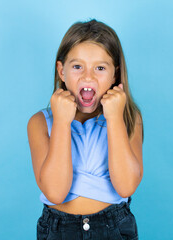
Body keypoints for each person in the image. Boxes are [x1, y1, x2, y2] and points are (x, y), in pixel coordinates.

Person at [27, 19, 144, 240]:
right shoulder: (40, 123)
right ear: (61, 71)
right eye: (77, 66)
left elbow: (127, 186)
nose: (88, 76)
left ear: (114, 75)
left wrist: (114, 118)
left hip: (113, 227)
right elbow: (55, 192)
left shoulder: (128, 118)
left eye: (100, 68)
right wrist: (61, 122)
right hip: (58, 229)